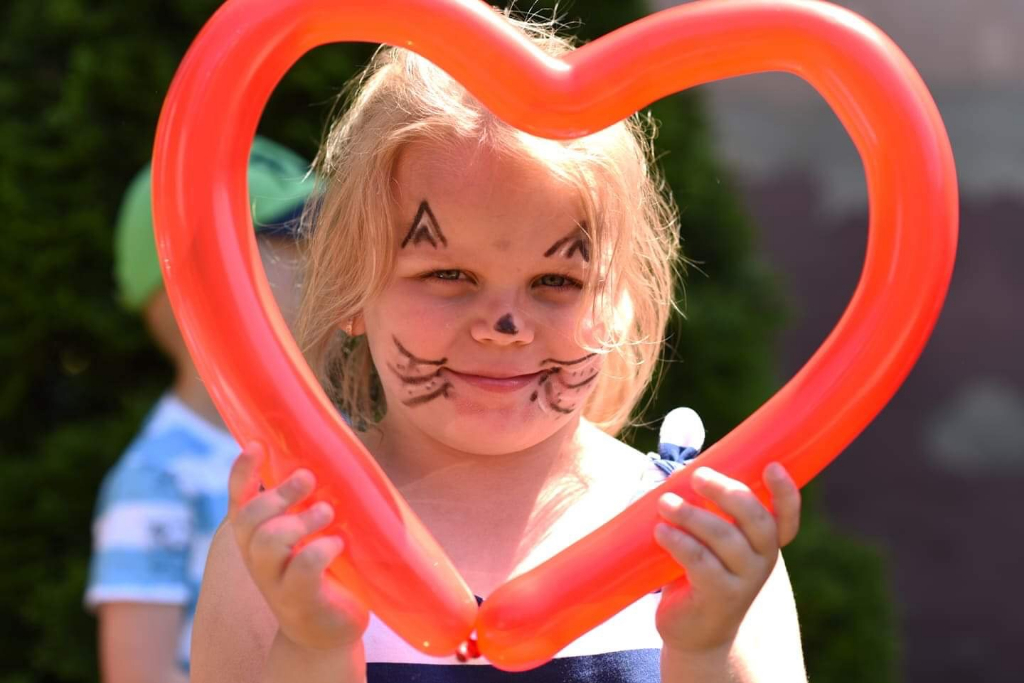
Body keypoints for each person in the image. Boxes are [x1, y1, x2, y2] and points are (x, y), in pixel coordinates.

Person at [191, 15, 806, 683]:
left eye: (556, 281)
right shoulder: (287, 545)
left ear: (621, 301)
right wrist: (311, 648)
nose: (503, 324)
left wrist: (703, 652)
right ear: (350, 290)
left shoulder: (700, 543)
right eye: (447, 275)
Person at [84, 136, 316, 683]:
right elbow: (137, 671)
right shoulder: (155, 478)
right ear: (202, 283)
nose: (331, 268)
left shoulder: (344, 439)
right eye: (296, 242)